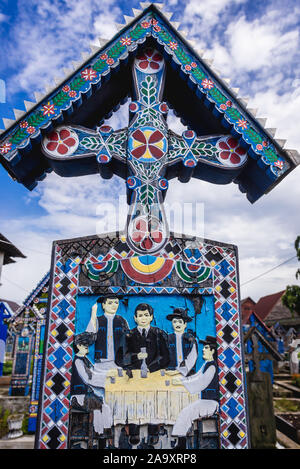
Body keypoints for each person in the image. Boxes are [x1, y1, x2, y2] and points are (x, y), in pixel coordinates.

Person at [171, 335, 219, 445]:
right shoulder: (207, 364)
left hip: (211, 403)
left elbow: (200, 383)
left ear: (212, 351)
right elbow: (196, 377)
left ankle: (182, 443)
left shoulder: (212, 366)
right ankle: (181, 440)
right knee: (184, 410)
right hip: (206, 401)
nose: (203, 349)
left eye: (206, 348)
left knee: (186, 412)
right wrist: (182, 380)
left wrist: (183, 382)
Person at [70, 332, 115, 435]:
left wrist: (108, 375)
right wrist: (106, 380)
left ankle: (101, 432)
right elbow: (88, 379)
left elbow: (94, 373)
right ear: (78, 346)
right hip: (79, 396)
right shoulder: (78, 361)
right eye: (85, 345)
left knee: (103, 404)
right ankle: (101, 433)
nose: (88, 348)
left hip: (86, 394)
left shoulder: (85, 359)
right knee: (104, 406)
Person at [116, 303, 169, 373]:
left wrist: (151, 368)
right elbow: (119, 359)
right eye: (140, 315)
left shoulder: (159, 334)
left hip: (154, 374)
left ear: (151, 317)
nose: (143, 318)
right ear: (135, 318)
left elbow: (165, 357)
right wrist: (136, 356)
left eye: (146, 315)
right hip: (134, 375)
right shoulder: (127, 336)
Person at [86, 294, 129, 370]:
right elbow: (89, 336)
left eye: (116, 302)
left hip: (119, 361)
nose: (114, 305)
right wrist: (93, 314)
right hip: (101, 361)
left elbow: (128, 341)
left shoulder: (122, 320)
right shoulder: (97, 320)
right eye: (110, 303)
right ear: (103, 305)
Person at [166, 308, 198, 376]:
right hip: (170, 372)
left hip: (188, 373)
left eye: (180, 322)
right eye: (175, 322)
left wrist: (178, 371)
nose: (177, 324)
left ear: (185, 324)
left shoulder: (191, 339)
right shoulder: (168, 338)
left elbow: (192, 357)